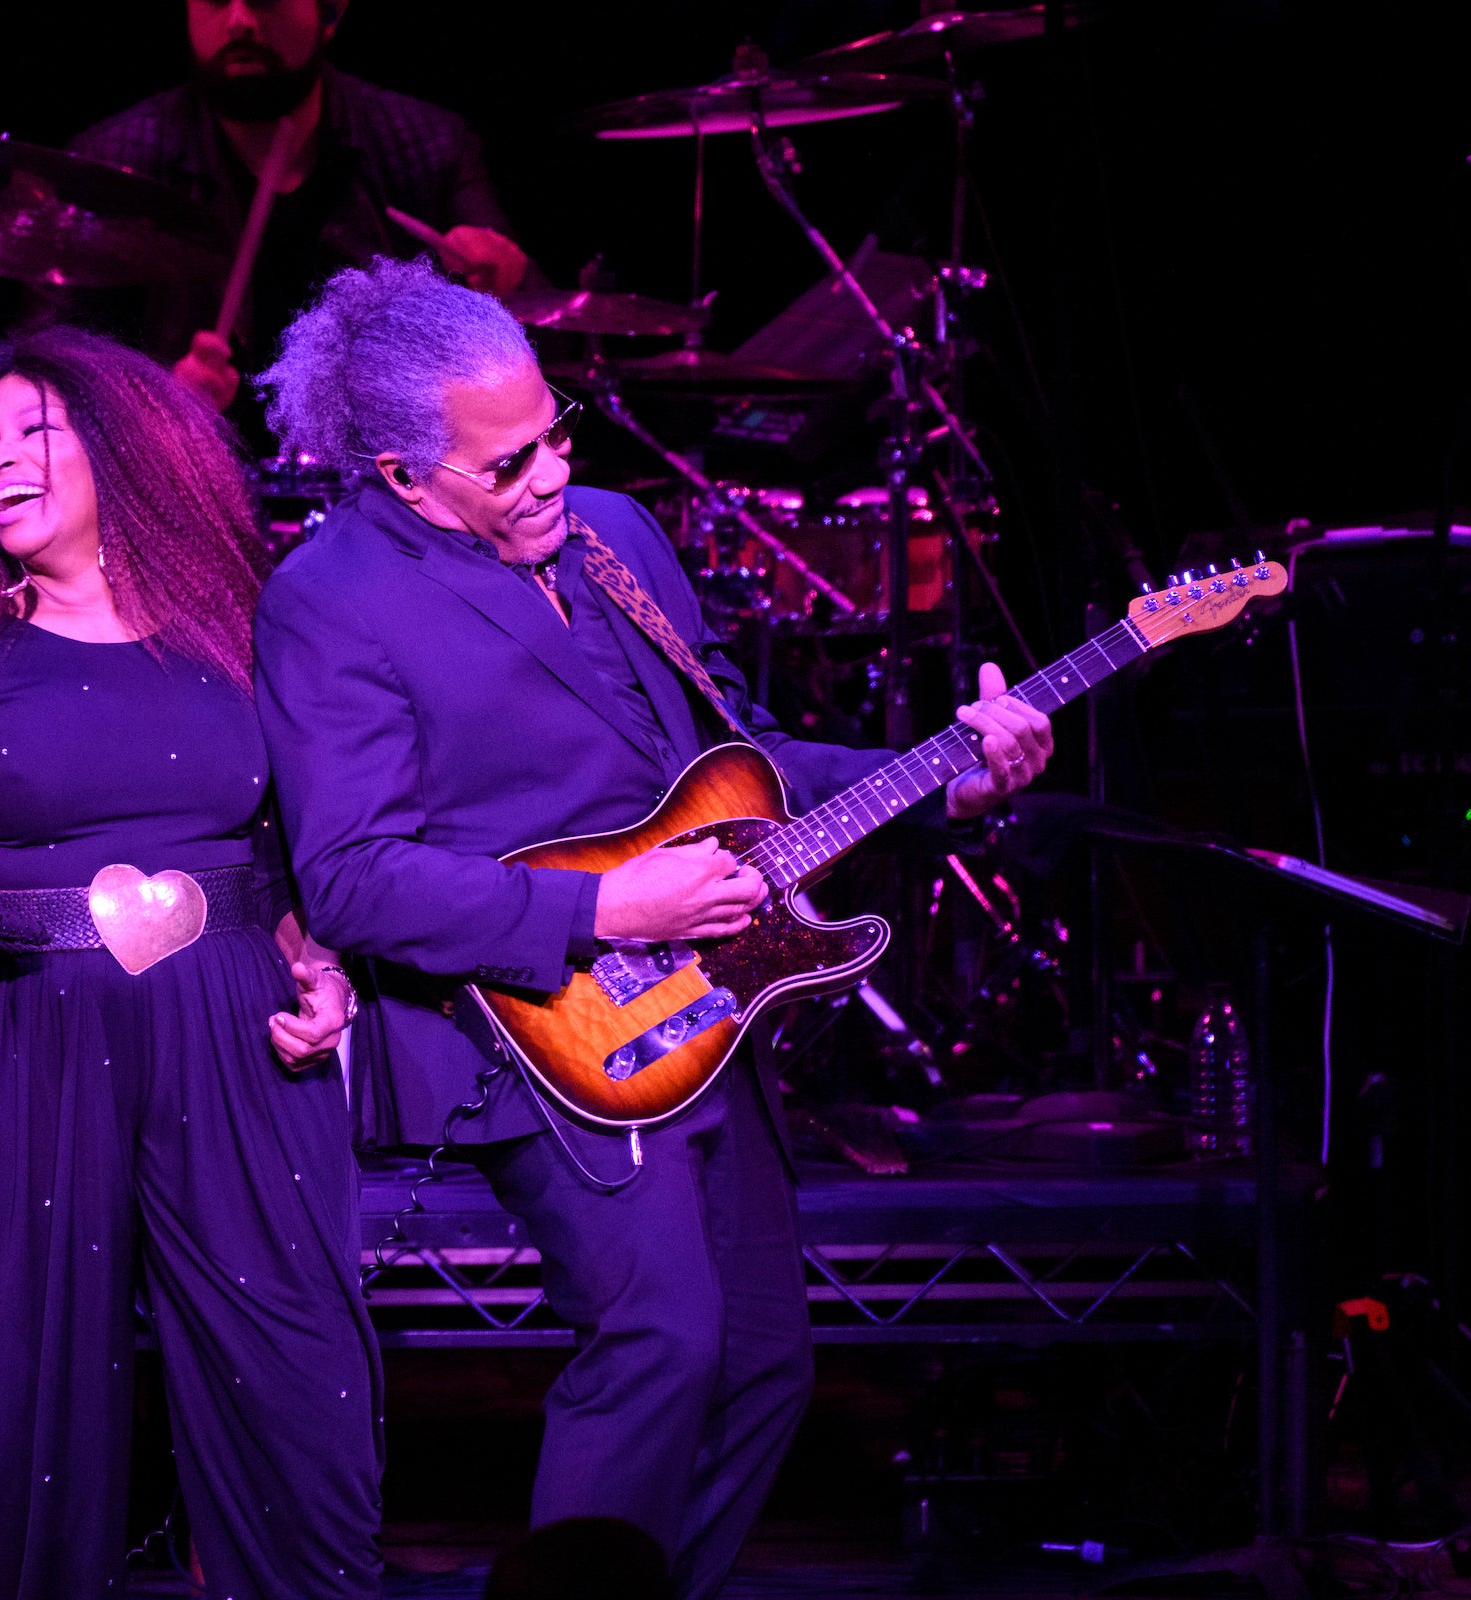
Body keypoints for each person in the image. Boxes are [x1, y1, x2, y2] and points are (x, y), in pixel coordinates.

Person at [250, 259, 1055, 1596]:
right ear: (401, 474)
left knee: (761, 1367)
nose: (551, 475)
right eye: (505, 466)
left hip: (702, 1011)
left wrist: (947, 780)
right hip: (525, 1028)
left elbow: (745, 767)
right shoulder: (329, 597)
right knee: (660, 1343)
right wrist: (608, 904)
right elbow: (350, 877)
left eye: (554, 432)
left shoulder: (620, 533)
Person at [0, 324, 381, 1600]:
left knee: (297, 1400)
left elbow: (307, 851)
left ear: (124, 448)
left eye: (30, 433)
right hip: (14, 1048)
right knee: (22, 1419)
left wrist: (326, 966)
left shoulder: (247, 635)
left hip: (239, 1045)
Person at [68, 0, 529, 417]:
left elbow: (544, 338)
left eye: (266, 0)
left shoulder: (426, 145)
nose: (239, 22)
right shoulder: (115, 162)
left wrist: (504, 284)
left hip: (390, 489)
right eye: (213, 0)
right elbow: (53, 377)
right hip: (192, 491)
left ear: (329, 13)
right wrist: (157, 404)